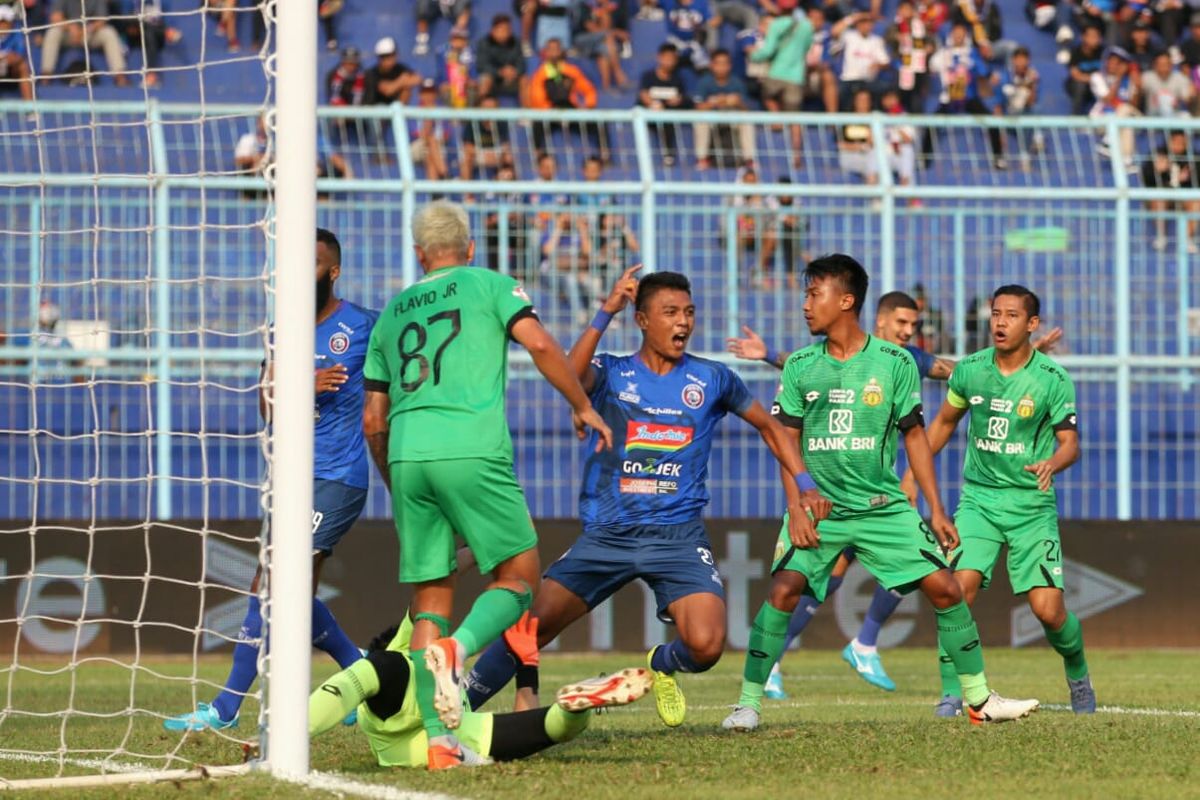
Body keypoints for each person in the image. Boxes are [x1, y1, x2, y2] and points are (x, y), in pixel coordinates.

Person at [464, 267, 828, 729]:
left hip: (678, 537)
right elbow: (569, 376)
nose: (683, 323)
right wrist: (604, 312)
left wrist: (804, 483)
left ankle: (661, 663)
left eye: (689, 313)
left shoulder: (713, 378)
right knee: (533, 625)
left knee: (708, 644)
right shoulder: (613, 371)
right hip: (609, 534)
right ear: (641, 319)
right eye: (670, 313)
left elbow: (772, 428)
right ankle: (457, 705)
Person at [720, 255, 1040, 731]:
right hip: (821, 506)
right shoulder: (802, 366)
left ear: (845, 301)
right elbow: (784, 440)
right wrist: (797, 504)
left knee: (946, 589)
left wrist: (934, 508)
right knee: (784, 590)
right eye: (806, 295)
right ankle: (747, 703)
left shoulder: (894, 364)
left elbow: (915, 435)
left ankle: (978, 698)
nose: (805, 305)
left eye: (814, 294)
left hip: (881, 506)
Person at [361, 201, 611, 770]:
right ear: (470, 249)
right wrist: (580, 404)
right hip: (470, 446)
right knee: (520, 577)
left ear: (420, 255)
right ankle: (458, 653)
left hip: (406, 454)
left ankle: (441, 746)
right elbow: (543, 345)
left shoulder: (392, 313)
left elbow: (373, 419)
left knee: (430, 598)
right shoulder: (492, 284)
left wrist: (398, 479)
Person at [164, 229, 377, 732]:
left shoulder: (365, 325)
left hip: (337, 474)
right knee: (286, 591)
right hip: (292, 477)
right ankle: (363, 678)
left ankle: (225, 708)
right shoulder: (283, 329)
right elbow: (266, 403)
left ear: (333, 271)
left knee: (275, 583)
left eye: (315, 261)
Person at [910, 285, 1094, 717]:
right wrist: (911, 477)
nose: (999, 322)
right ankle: (952, 693)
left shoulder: (1051, 379)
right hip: (979, 500)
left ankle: (1078, 672)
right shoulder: (970, 371)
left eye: (1012, 315)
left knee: (1048, 612)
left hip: (1031, 506)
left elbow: (1071, 444)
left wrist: (1053, 462)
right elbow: (940, 425)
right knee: (956, 591)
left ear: (1032, 325)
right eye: (995, 313)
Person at [307, 613, 654, 768]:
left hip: (412, 740)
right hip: (448, 720)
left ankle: (288, 731)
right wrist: (527, 667)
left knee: (366, 674)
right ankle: (575, 708)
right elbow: (424, 603)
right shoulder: (448, 693)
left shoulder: (407, 676)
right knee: (550, 725)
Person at [750, 4, 815, 166]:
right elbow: (807, 48)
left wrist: (753, 55)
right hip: (796, 77)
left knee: (767, 95)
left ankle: (777, 117)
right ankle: (796, 156)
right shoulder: (807, 25)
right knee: (795, 119)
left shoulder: (777, 24)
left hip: (776, 74)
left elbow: (768, 51)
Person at [527, 38, 609, 162]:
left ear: (562, 52)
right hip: (550, 112)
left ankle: (605, 155)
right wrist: (553, 113)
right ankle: (537, 157)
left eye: (557, 49)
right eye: (551, 49)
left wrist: (587, 106)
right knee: (537, 126)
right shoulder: (540, 75)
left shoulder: (572, 71)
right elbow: (537, 99)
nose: (554, 53)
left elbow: (589, 90)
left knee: (599, 124)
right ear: (546, 52)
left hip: (571, 111)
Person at [693, 48, 756, 170]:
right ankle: (702, 159)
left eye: (725, 63)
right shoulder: (704, 82)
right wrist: (715, 102)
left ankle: (749, 160)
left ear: (729, 65)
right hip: (711, 119)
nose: (721, 67)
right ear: (712, 65)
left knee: (747, 121)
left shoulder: (737, 82)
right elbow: (698, 106)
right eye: (718, 63)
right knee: (700, 121)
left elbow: (747, 108)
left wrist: (737, 102)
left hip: (732, 118)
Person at [41, 0, 128, 85]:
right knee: (53, 32)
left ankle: (119, 75)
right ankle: (46, 75)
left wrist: (86, 30)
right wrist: (70, 27)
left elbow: (102, 20)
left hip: (89, 33)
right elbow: (55, 17)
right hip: (69, 33)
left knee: (109, 32)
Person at [1141, 129, 1200, 252]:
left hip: (1185, 196)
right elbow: (1145, 181)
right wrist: (1157, 172)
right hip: (1164, 195)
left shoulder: (1194, 157)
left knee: (1197, 203)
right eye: (1176, 142)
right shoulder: (1157, 154)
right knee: (1157, 199)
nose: (1179, 145)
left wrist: (1189, 177)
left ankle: (1187, 240)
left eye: (1182, 142)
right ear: (1169, 141)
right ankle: (1161, 237)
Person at [638, 43, 690, 166]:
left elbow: (681, 97)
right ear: (659, 57)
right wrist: (653, 104)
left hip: (667, 116)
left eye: (672, 58)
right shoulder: (648, 76)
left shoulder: (678, 79)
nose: (669, 62)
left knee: (667, 122)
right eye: (666, 58)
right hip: (650, 113)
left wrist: (677, 100)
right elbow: (644, 95)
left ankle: (668, 156)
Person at [476, 13, 526, 103]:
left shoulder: (516, 43)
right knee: (485, 79)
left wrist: (514, 72)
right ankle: (481, 112)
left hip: (511, 80)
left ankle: (527, 116)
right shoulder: (484, 43)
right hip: (493, 80)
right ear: (493, 30)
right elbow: (482, 65)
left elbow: (521, 64)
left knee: (525, 80)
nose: (507, 32)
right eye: (503, 29)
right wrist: (500, 72)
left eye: (508, 29)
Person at [364, 36, 421, 107]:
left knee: (406, 90)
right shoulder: (372, 73)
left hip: (395, 108)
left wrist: (396, 84)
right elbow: (388, 90)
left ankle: (400, 114)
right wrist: (402, 80)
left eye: (390, 55)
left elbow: (417, 78)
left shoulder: (400, 68)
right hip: (374, 110)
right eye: (384, 57)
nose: (387, 60)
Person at [1066, 24, 1105, 116]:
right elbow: (1075, 74)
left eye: (1097, 36)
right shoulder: (1076, 52)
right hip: (1078, 84)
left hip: (1098, 85)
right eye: (1092, 36)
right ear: (1083, 37)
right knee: (1080, 86)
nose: (1095, 39)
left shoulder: (1103, 52)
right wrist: (1093, 79)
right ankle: (1076, 117)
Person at [663, 0, 713, 70]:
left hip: (696, 44)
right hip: (675, 43)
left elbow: (713, 21)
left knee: (704, 65)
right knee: (668, 62)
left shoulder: (702, 2)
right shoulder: (669, 2)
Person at [1141, 50, 1192, 117]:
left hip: (1174, 115)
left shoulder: (1180, 78)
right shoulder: (1146, 77)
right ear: (1154, 65)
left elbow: (1186, 98)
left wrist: (1190, 96)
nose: (1164, 68)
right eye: (1161, 65)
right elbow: (1139, 94)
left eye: (1167, 64)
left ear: (1171, 65)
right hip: (1153, 116)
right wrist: (1138, 88)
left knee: (1186, 116)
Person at [0, 5, 32, 100]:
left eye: (4, 21)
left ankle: (30, 111)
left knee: (23, 66)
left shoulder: (18, 32)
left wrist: (5, 59)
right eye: (1, 22)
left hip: (11, 69)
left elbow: (18, 56)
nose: (2, 25)